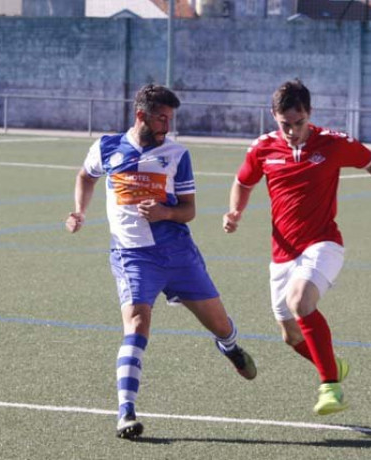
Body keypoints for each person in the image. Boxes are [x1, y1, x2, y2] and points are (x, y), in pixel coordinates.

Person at [66, 84, 256, 439]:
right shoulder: (107, 147)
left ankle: (229, 346)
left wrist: (164, 212)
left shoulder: (177, 154)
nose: (166, 126)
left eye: (170, 118)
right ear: (141, 115)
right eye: (161, 118)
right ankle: (126, 412)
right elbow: (85, 176)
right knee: (137, 323)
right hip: (133, 257)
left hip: (179, 255)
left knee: (220, 325)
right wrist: (79, 211)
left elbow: (190, 211)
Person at [223, 79, 371, 415]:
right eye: (285, 124)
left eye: (299, 122)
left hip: (323, 243)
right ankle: (333, 364)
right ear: (274, 116)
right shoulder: (263, 148)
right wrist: (235, 212)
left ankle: (330, 386)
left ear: (309, 114)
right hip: (281, 253)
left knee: (300, 301)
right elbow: (243, 182)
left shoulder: (333, 143)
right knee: (290, 336)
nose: (292, 131)